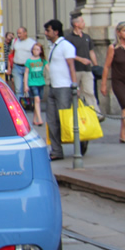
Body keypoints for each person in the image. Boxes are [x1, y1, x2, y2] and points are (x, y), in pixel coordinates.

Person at [101, 21, 125, 144]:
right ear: (119, 33)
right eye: (124, 31)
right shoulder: (113, 48)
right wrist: (103, 84)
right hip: (119, 82)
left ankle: (123, 135)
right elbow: (107, 66)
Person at [43, 19, 77, 161]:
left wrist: (74, 85)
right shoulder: (53, 46)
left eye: (48, 30)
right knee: (52, 121)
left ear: (56, 32)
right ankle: (56, 150)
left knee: (66, 121)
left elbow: (71, 66)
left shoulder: (66, 46)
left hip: (64, 87)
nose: (46, 33)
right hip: (53, 87)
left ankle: (81, 142)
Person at [65, 11, 104, 121]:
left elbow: (91, 51)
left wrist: (95, 65)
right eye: (82, 21)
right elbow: (68, 55)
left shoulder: (87, 37)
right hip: (75, 70)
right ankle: (75, 114)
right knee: (75, 93)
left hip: (87, 70)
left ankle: (96, 113)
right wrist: (81, 59)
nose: (84, 23)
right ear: (76, 24)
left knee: (89, 92)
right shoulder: (69, 38)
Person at [11, 26, 37, 100]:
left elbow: (35, 55)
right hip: (17, 66)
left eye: (20, 33)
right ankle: (19, 104)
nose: (18, 35)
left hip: (28, 67)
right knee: (18, 89)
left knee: (29, 87)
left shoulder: (32, 43)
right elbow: (11, 53)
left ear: (25, 33)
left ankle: (30, 103)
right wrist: (10, 67)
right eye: (17, 33)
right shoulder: (15, 41)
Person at [24, 42, 46, 126]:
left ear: (41, 51)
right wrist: (25, 85)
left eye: (37, 49)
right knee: (37, 100)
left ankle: (34, 119)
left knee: (38, 101)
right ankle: (40, 119)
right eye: (34, 49)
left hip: (41, 82)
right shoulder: (29, 61)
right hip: (32, 83)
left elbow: (49, 68)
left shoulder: (42, 60)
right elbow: (26, 73)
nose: (35, 51)